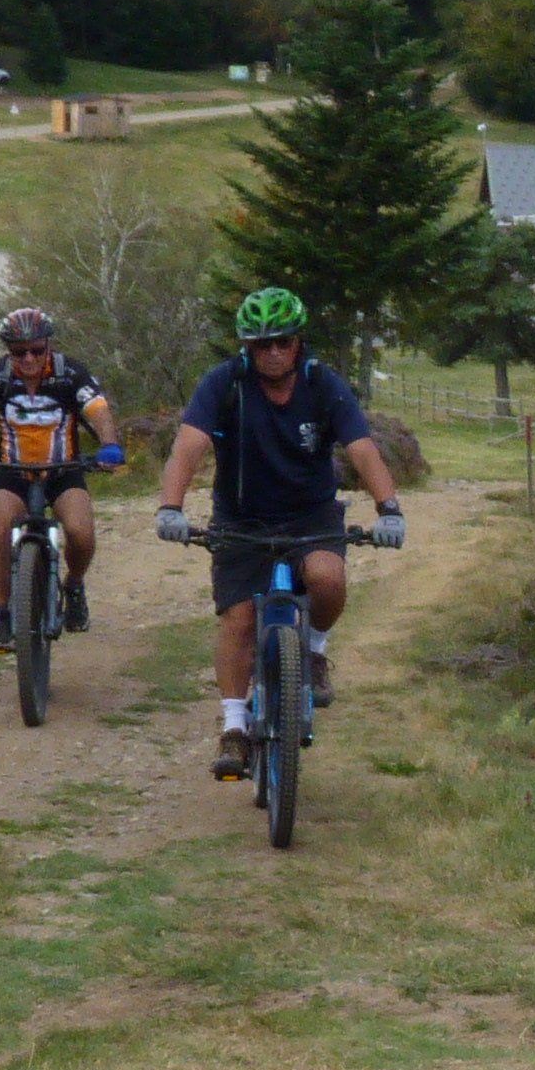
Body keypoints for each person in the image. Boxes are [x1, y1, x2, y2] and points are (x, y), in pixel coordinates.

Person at [154, 287, 405, 781]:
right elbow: (189, 446)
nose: (272, 352)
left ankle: (312, 653)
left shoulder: (323, 384)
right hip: (241, 519)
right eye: (261, 343)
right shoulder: (225, 384)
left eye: (282, 342)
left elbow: (361, 448)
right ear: (247, 348)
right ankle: (233, 727)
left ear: (298, 342)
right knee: (240, 620)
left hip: (311, 516)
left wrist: (389, 509)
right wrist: (170, 507)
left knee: (328, 579)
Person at [0, 308, 125, 650]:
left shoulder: (69, 373)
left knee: (79, 531)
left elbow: (98, 409)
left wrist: (109, 444)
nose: (28, 358)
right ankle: (0, 614)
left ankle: (74, 586)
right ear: (7, 350)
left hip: (63, 470)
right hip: (11, 472)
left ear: (48, 345)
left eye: (35, 350)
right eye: (18, 351)